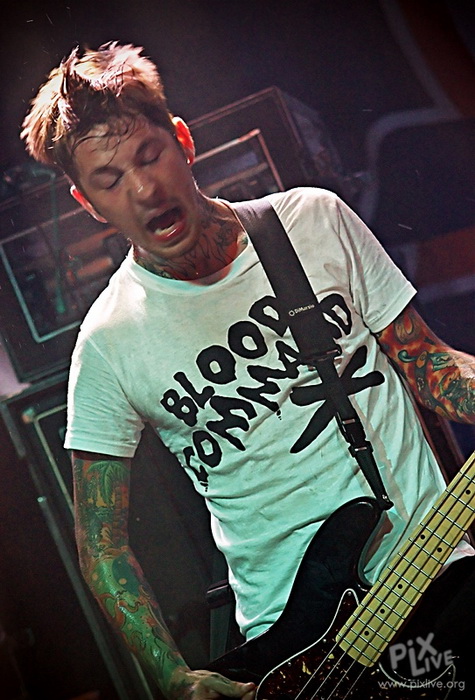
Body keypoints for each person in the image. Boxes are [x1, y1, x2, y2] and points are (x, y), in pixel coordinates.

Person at [21, 43, 475, 699]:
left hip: (434, 577)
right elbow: (103, 544)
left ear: (182, 141)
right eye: (110, 179)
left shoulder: (313, 222)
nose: (144, 189)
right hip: (298, 658)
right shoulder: (108, 344)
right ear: (86, 202)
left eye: (148, 155)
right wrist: (172, 677)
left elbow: (429, 365)